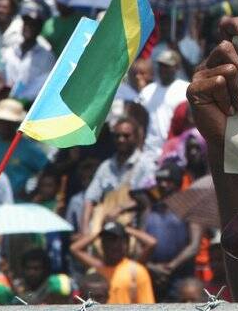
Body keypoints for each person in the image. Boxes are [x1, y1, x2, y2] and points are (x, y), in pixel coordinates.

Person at [81, 117, 152, 233]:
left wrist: (120, 209)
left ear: (136, 137)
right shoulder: (106, 166)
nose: (121, 140)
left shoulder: (144, 165)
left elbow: (150, 199)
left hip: (132, 229)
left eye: (126, 136)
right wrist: (84, 229)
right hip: (105, 230)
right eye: (117, 136)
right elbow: (89, 199)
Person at [143, 162, 201, 299]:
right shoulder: (149, 211)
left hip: (181, 279)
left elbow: (194, 246)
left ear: (178, 183)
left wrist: (170, 267)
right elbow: (139, 247)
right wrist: (153, 267)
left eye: (168, 181)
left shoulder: (189, 208)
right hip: (153, 277)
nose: (163, 185)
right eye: (160, 181)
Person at [69, 220, 156, 304]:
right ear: (102, 243)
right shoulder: (98, 268)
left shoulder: (136, 271)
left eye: (116, 240)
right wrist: (99, 232)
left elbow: (152, 243)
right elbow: (74, 249)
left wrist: (127, 230)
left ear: (125, 243)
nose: (111, 245)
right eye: (107, 239)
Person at [0, 98, 48, 197]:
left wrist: (32, 188)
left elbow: (47, 169)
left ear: (16, 123)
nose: (4, 125)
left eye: (8, 122)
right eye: (1, 121)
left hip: (18, 202)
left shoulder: (28, 148)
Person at [1, 1, 55, 104]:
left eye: (33, 24)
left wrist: (23, 100)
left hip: (29, 106)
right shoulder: (9, 52)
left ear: (40, 28)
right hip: (5, 103)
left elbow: (44, 84)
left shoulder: (47, 56)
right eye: (26, 23)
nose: (28, 27)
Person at [139, 50, 189, 156]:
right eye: (161, 65)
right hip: (149, 151)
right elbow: (139, 122)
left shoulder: (186, 89)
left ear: (177, 67)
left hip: (176, 150)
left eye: (167, 66)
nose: (163, 69)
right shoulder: (147, 91)